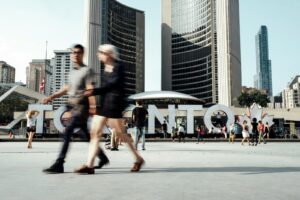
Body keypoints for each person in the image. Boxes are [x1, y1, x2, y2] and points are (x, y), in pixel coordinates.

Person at [74, 44, 144, 174]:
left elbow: (113, 85)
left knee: (121, 135)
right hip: (104, 105)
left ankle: (138, 159)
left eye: (100, 52)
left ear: (109, 54)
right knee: (95, 133)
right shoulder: (105, 69)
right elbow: (106, 88)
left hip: (114, 105)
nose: (98, 54)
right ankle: (89, 165)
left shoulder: (119, 66)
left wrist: (94, 91)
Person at [42, 44, 109, 173]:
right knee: (85, 135)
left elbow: (90, 89)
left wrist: (93, 107)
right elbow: (66, 88)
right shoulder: (72, 72)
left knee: (68, 132)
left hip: (82, 107)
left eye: (78, 52)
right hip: (72, 106)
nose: (75, 54)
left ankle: (59, 163)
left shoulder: (87, 70)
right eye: (73, 52)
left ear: (83, 54)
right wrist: (51, 96)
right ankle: (102, 157)